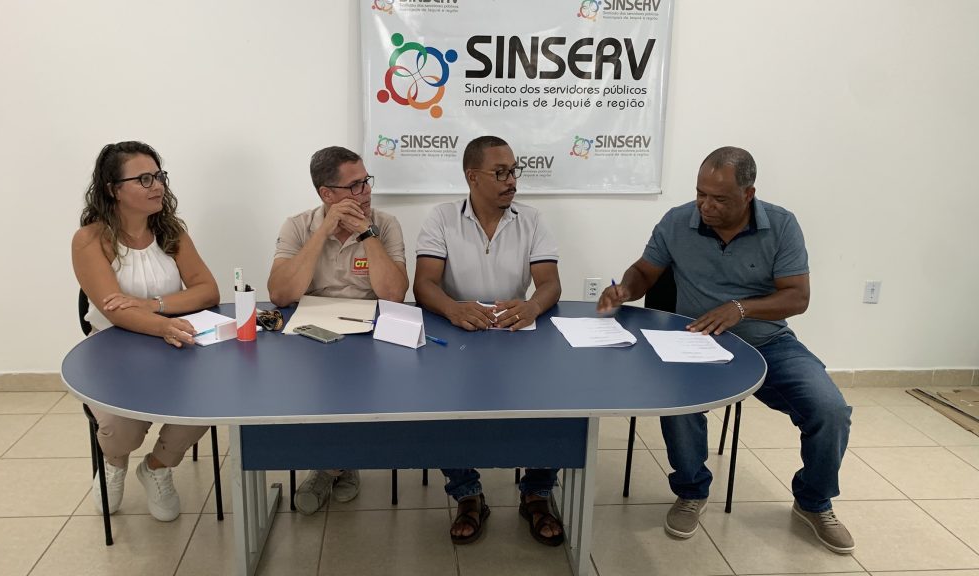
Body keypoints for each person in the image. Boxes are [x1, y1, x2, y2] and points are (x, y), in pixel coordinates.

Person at [597, 146, 854, 553]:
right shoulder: (678, 220)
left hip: (767, 342)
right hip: (693, 338)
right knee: (678, 404)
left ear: (748, 194)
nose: (706, 206)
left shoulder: (782, 225)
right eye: (700, 194)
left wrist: (741, 309)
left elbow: (798, 297)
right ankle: (691, 491)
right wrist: (625, 289)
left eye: (719, 199)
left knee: (831, 410)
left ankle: (813, 501)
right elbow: (645, 271)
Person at [413, 135, 565, 546]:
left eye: (514, 171)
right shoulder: (442, 218)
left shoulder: (531, 219)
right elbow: (424, 284)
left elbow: (550, 284)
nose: (511, 180)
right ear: (472, 177)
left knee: (555, 406)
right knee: (440, 409)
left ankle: (537, 493)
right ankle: (467, 494)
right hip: (456, 337)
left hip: (516, 336)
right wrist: (452, 308)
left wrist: (533, 306)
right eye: (500, 173)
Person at [71, 141, 221, 522]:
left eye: (159, 176)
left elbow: (208, 290)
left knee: (208, 402)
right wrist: (164, 323)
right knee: (121, 427)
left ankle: (157, 466)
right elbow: (114, 311)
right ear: (113, 189)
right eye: (144, 179)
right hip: (111, 351)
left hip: (173, 347)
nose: (158, 186)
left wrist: (151, 306)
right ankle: (114, 463)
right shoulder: (89, 240)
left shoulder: (171, 232)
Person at [267, 145, 408, 514]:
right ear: (327, 194)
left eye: (366, 181)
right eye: (355, 186)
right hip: (311, 336)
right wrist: (323, 231)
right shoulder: (297, 225)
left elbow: (394, 294)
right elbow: (280, 293)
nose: (366, 192)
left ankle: (335, 466)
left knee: (362, 387)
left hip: (370, 336)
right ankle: (334, 465)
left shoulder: (385, 224)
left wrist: (367, 234)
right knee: (309, 390)